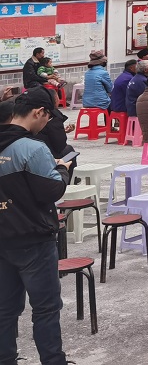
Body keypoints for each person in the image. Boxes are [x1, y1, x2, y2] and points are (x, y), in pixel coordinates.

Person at [0, 93, 69, 365]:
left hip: (3, 240)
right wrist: (63, 170)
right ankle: (53, 361)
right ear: (39, 112)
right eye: (48, 117)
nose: (46, 123)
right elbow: (51, 191)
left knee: (4, 310)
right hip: (33, 239)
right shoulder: (32, 148)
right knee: (46, 309)